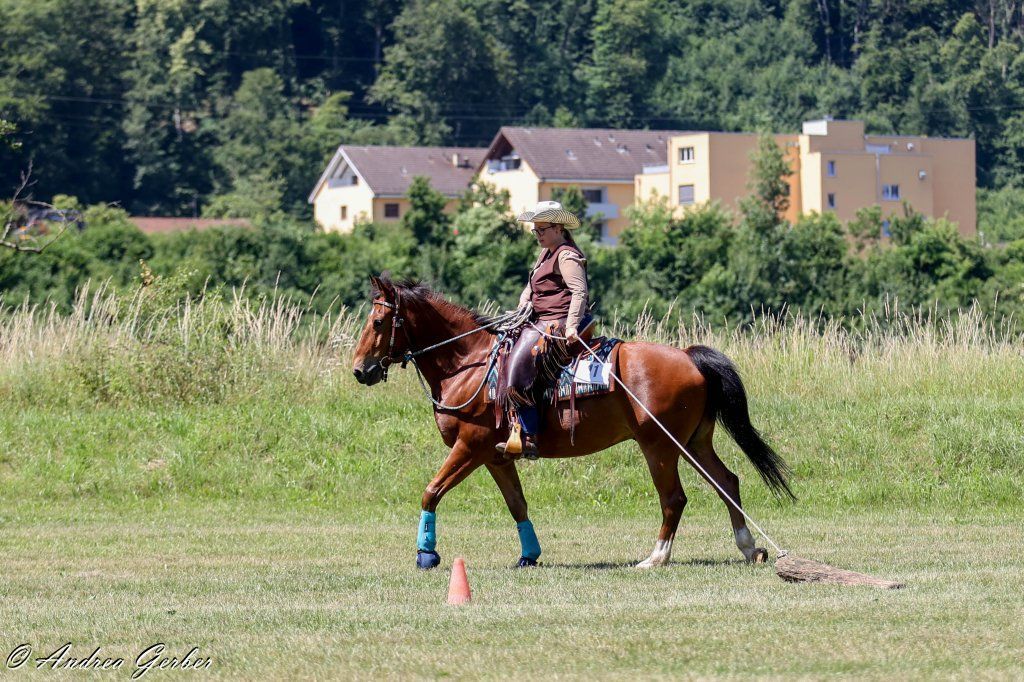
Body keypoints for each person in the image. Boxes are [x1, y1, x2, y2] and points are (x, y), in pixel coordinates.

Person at [496, 200, 590, 460]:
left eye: (542, 230)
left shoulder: (566, 255)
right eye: (535, 230)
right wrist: (522, 304)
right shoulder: (546, 253)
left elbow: (579, 292)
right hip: (538, 319)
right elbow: (532, 285)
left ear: (558, 228)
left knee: (518, 369)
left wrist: (571, 325)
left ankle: (530, 437)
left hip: (556, 323)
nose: (537, 235)